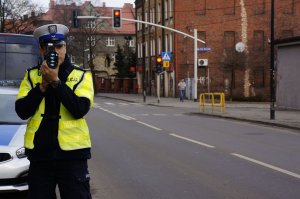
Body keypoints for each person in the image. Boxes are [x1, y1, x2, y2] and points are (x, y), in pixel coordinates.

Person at [15, 24, 94, 199]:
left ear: (65, 47)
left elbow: (79, 109)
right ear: (41, 49)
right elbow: (21, 110)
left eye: (59, 46)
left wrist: (57, 82)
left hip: (72, 155)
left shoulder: (81, 75)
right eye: (50, 47)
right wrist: (42, 86)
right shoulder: (31, 76)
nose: (55, 51)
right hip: (40, 155)